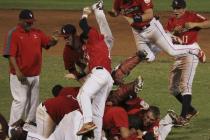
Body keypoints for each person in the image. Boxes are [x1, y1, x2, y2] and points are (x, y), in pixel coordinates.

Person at [2, 9, 58, 127]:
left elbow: (48, 43)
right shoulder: (14, 33)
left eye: (31, 22)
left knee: (33, 101)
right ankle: (12, 127)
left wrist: (54, 41)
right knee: (20, 101)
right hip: (20, 76)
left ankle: (30, 124)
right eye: (27, 22)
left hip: (35, 75)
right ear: (21, 21)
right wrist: (17, 71)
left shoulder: (37, 32)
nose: (30, 24)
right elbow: (10, 55)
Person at [108, 0, 206, 63]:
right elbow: (115, 11)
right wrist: (113, 13)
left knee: (172, 51)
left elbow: (149, 14)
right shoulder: (118, 1)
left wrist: (135, 19)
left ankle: (195, 51)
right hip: (137, 32)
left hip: (152, 28)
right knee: (147, 58)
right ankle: (161, 44)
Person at [165, 0, 210, 126]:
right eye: (174, 8)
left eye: (178, 8)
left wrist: (194, 24)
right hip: (178, 54)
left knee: (185, 85)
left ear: (184, 8)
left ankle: (183, 117)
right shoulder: (171, 21)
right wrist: (175, 32)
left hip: (190, 53)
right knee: (173, 89)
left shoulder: (192, 16)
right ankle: (191, 110)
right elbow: (166, 37)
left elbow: (208, 22)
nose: (176, 11)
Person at [75, 2, 114, 139]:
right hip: (106, 78)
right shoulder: (92, 48)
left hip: (100, 74)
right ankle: (96, 138)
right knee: (98, 112)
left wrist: (85, 13)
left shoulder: (95, 37)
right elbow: (87, 69)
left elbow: (83, 24)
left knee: (83, 95)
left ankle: (87, 122)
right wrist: (77, 75)